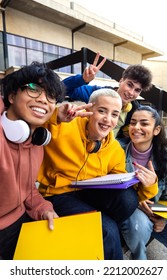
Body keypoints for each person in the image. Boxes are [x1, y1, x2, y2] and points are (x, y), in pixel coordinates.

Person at [37, 88, 158, 260]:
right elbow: (32, 126)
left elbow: (123, 190)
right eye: (102, 111)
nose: (108, 120)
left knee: (128, 199)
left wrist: (149, 184)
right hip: (57, 195)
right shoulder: (62, 126)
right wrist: (55, 115)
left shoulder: (115, 149)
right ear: (88, 111)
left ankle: (93, 229)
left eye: (115, 114)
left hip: (89, 195)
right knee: (108, 229)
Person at [0, 61, 92, 260]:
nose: (43, 100)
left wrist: (44, 209)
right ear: (11, 96)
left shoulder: (36, 143)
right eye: (34, 89)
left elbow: (28, 190)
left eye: (51, 96)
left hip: (19, 223)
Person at [120, 105, 167, 259]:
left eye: (144, 123)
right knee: (140, 227)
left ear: (156, 130)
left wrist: (162, 217)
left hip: (155, 208)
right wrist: (137, 201)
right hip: (130, 207)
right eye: (133, 122)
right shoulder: (117, 151)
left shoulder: (166, 159)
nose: (136, 127)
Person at [63, 56, 153, 142]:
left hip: (110, 151)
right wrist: (82, 79)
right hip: (85, 142)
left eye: (137, 90)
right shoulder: (99, 94)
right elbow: (64, 89)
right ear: (121, 81)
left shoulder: (134, 110)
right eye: (129, 85)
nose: (131, 93)